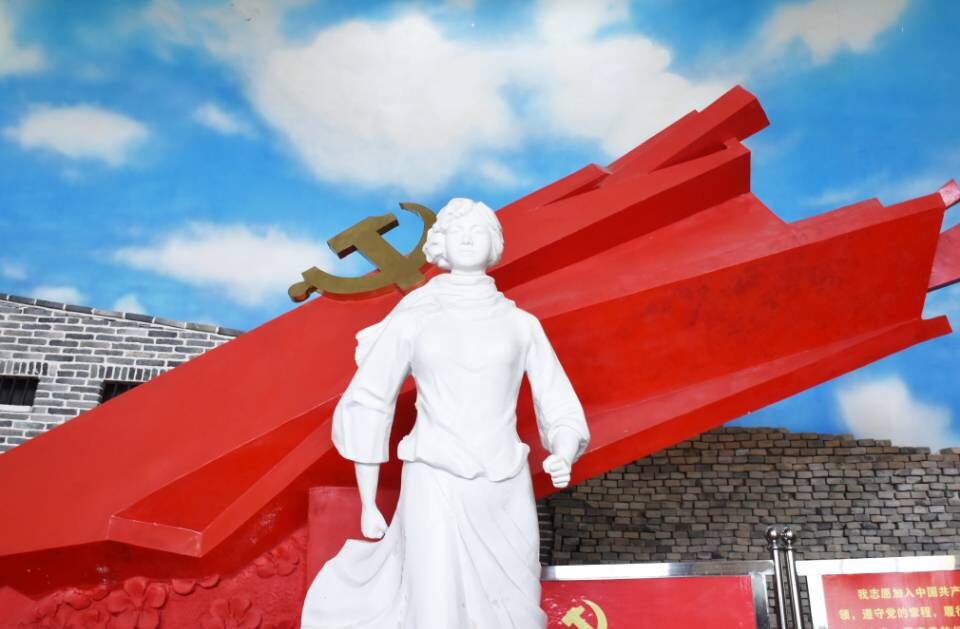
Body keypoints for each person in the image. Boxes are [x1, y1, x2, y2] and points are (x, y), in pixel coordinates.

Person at [300, 198, 590, 629]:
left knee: (515, 609)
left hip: (504, 482)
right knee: (436, 605)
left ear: (495, 243)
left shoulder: (521, 325)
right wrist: (368, 501)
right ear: (441, 245)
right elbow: (370, 400)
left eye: (479, 230)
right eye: (458, 231)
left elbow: (558, 403)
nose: (469, 239)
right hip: (434, 477)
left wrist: (563, 452)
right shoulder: (416, 320)